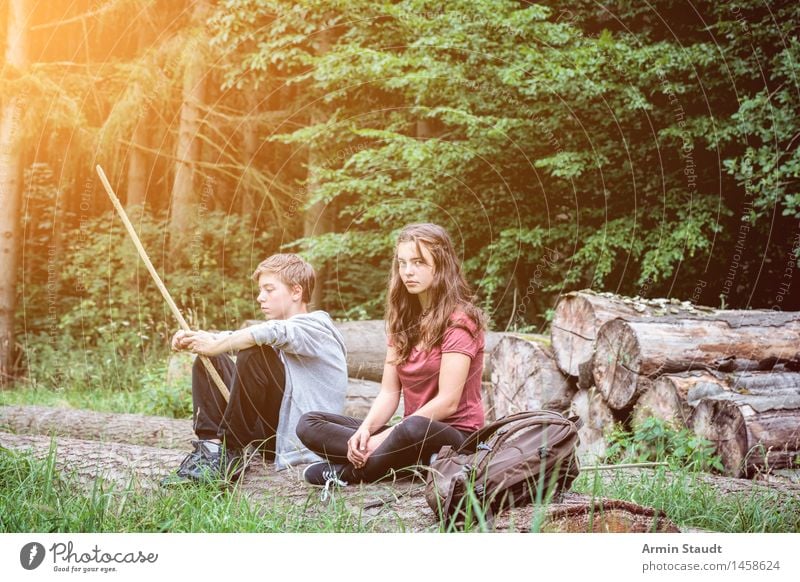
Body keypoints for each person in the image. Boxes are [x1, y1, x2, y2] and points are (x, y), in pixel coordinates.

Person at [296, 223, 486, 494]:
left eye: (419, 262)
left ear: (442, 265)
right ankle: (408, 461)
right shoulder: (402, 323)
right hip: (405, 434)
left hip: (454, 435)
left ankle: (349, 472)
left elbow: (447, 403)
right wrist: (365, 431)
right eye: (403, 263)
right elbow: (388, 393)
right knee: (309, 423)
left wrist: (383, 437)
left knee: (413, 428)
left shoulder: (460, 321)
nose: (408, 271)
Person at [165, 253, 348, 484]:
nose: (261, 297)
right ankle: (210, 450)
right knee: (210, 358)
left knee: (254, 353)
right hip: (270, 433)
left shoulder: (317, 326)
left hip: (296, 441)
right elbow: (236, 337)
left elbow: (269, 332)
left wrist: (213, 343)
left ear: (296, 291)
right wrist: (196, 339)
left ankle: (230, 450)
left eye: (269, 289)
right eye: (261, 290)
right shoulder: (283, 332)